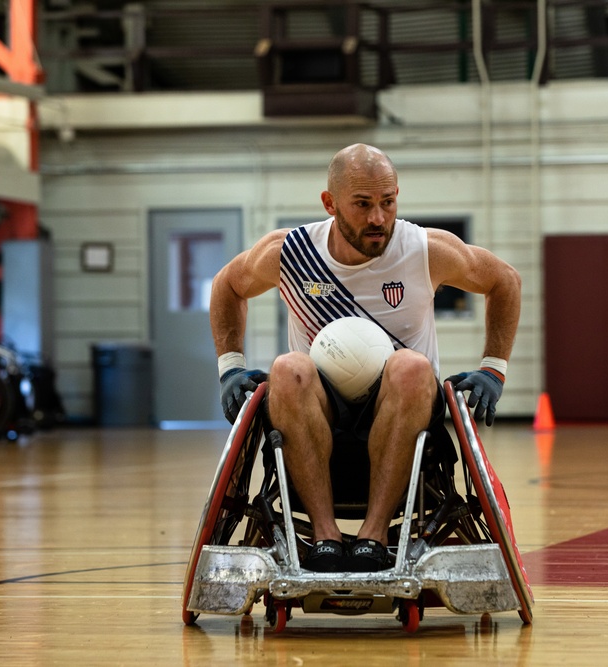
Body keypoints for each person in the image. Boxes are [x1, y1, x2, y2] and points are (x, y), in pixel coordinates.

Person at [210, 143, 521, 573]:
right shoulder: (292, 252)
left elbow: (504, 280)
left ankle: (373, 536)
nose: (378, 218)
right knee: (287, 368)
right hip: (316, 411)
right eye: (363, 204)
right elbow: (227, 285)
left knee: (411, 365)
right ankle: (325, 537)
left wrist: (493, 369)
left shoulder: (425, 249)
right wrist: (230, 367)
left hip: (403, 406)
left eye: (387, 202)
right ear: (330, 203)